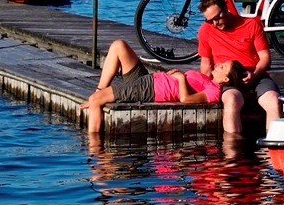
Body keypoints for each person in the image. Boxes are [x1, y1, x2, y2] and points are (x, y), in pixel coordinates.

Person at [80, 39, 219, 134]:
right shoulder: (209, 80)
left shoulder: (214, 91)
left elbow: (185, 99)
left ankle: (95, 155)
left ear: (226, 78)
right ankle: (99, 91)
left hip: (151, 89)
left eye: (224, 66)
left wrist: (181, 78)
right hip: (149, 78)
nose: (220, 64)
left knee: (95, 100)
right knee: (118, 45)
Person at [197, 0, 280, 135]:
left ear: (225, 8)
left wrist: (255, 74)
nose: (215, 23)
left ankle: (274, 146)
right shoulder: (205, 30)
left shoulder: (251, 24)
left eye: (217, 18)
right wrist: (205, 89)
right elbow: (206, 64)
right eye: (210, 20)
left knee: (274, 101)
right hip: (229, 79)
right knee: (231, 100)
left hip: (256, 75)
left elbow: (265, 58)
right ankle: (232, 152)